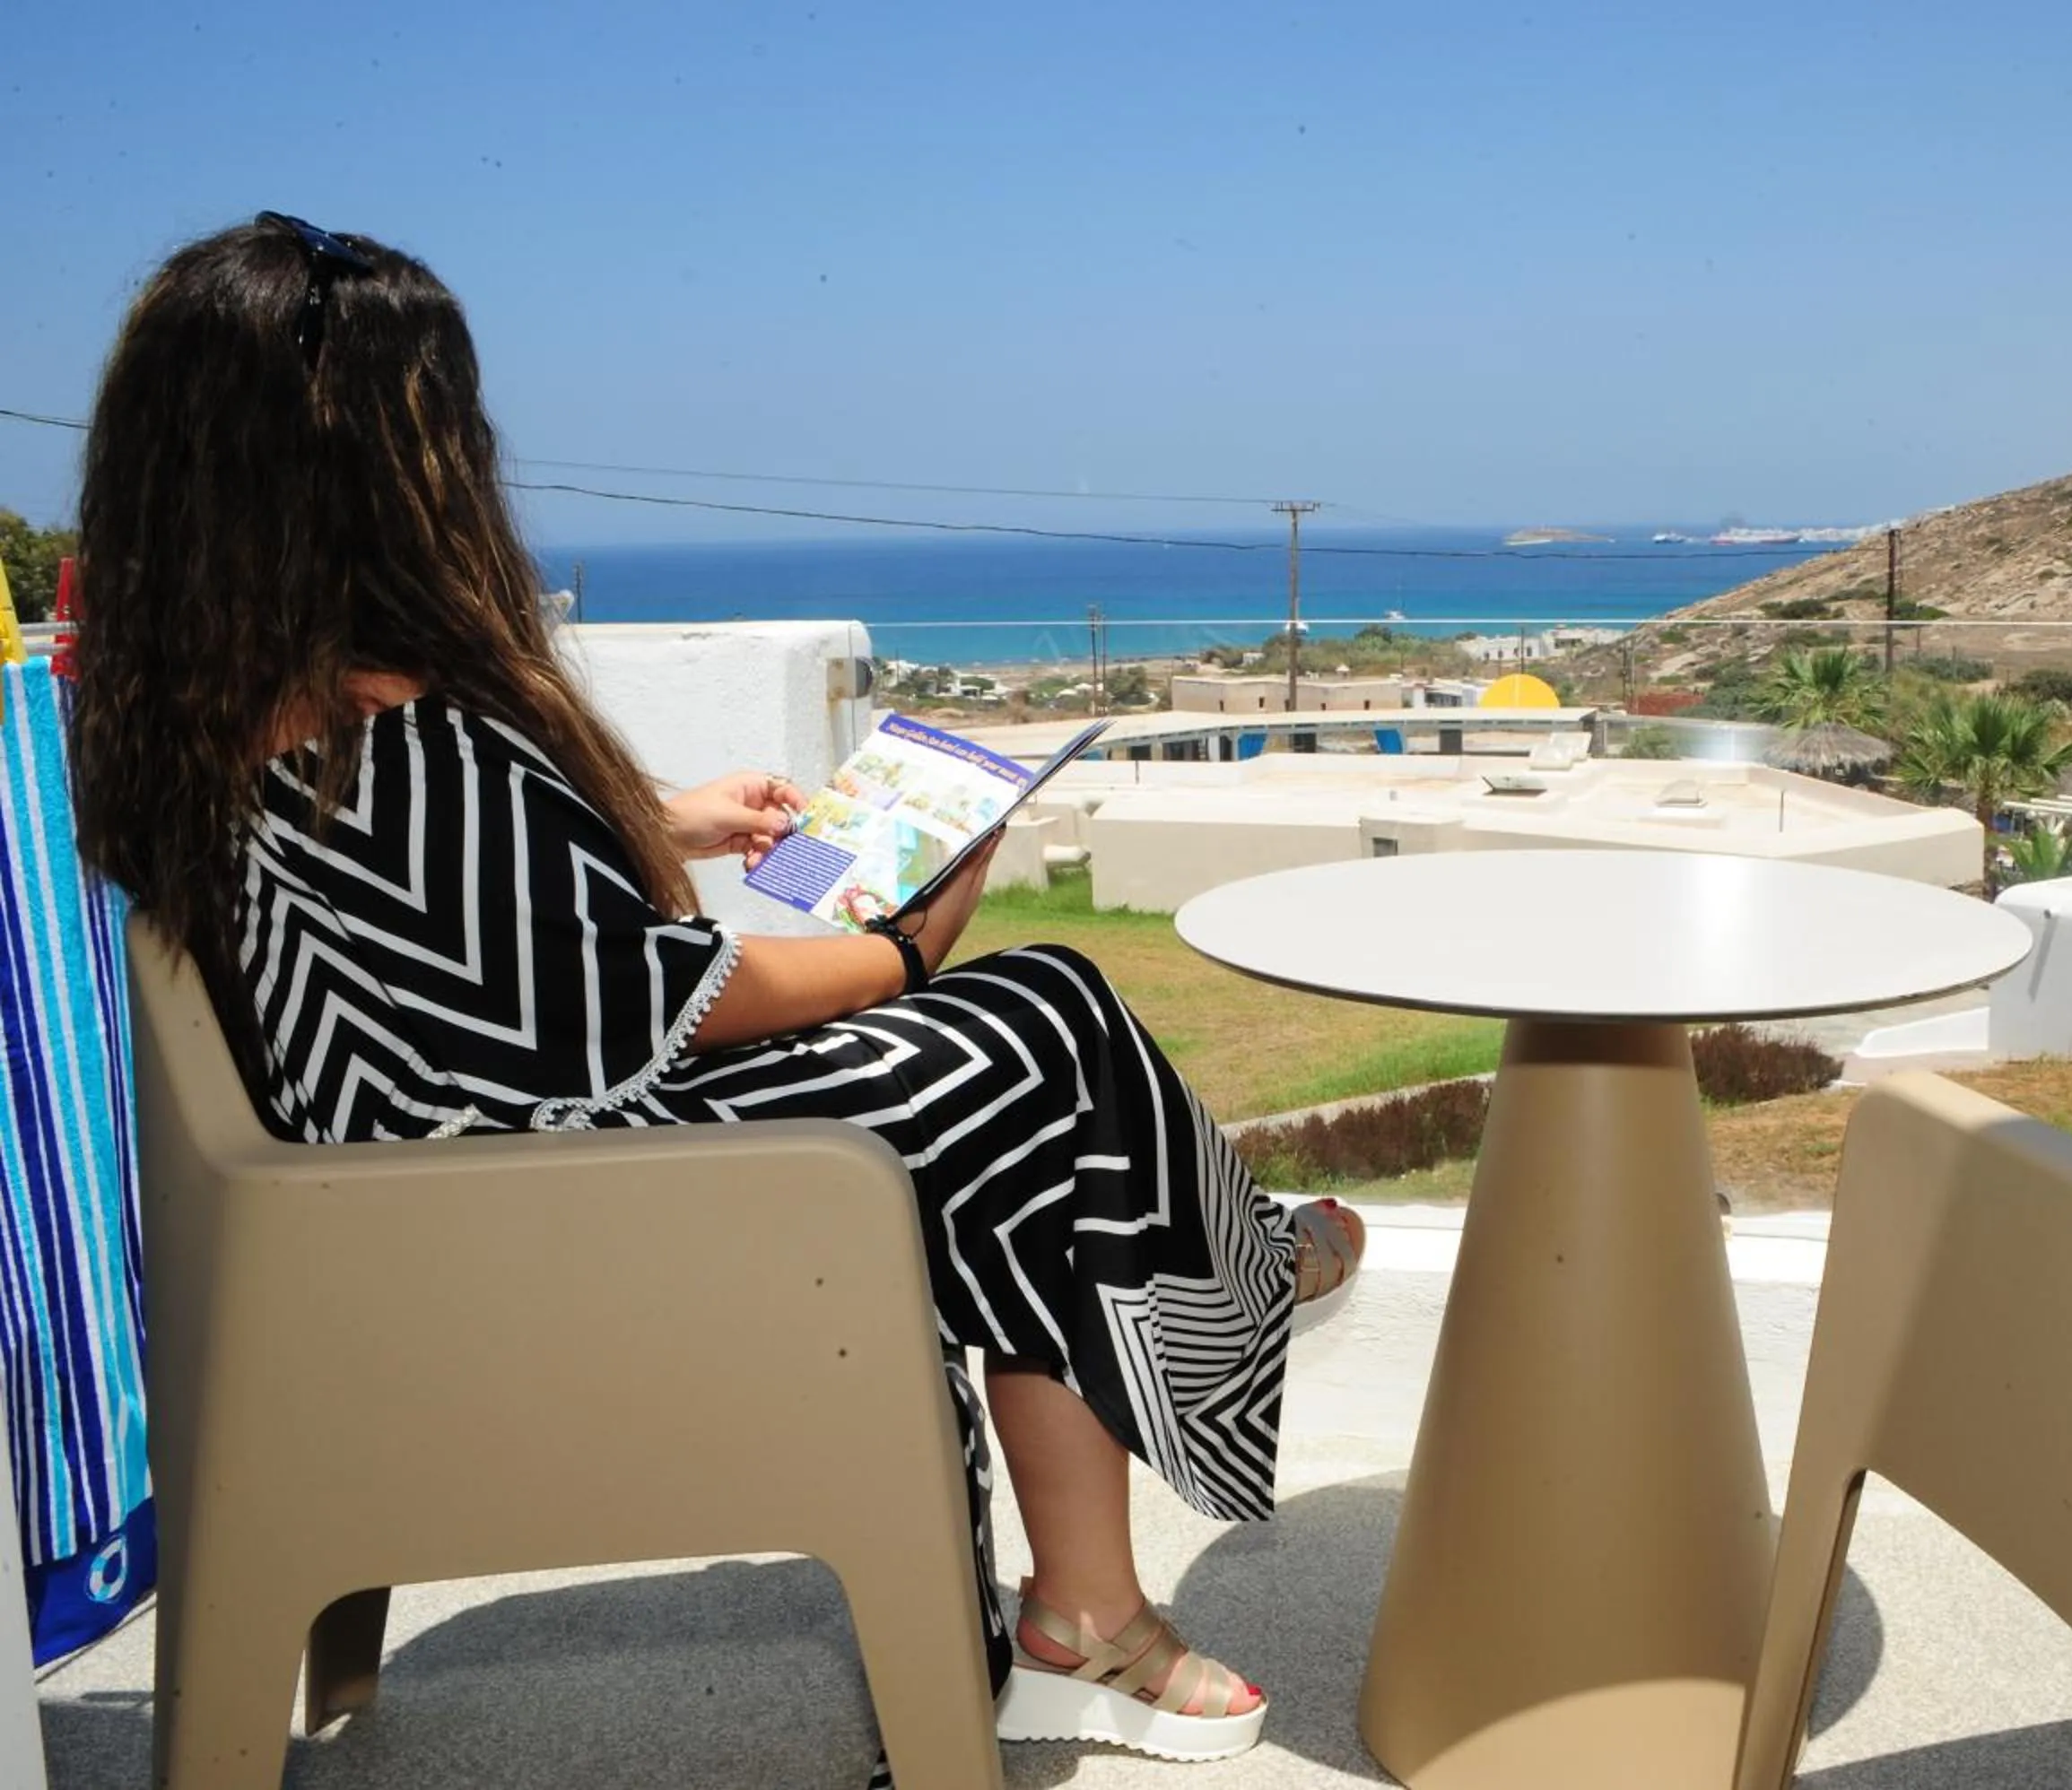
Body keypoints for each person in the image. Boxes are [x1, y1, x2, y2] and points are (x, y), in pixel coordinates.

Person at [66, 213, 1363, 1768]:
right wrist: (902, 944)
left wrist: (651, 819)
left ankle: (1127, 1500)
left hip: (399, 1181)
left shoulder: (211, 702)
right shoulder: (408, 737)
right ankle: (1223, 1274)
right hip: (500, 1226)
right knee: (1032, 1034)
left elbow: (441, 936)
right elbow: (628, 1009)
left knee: (1016, 1067)